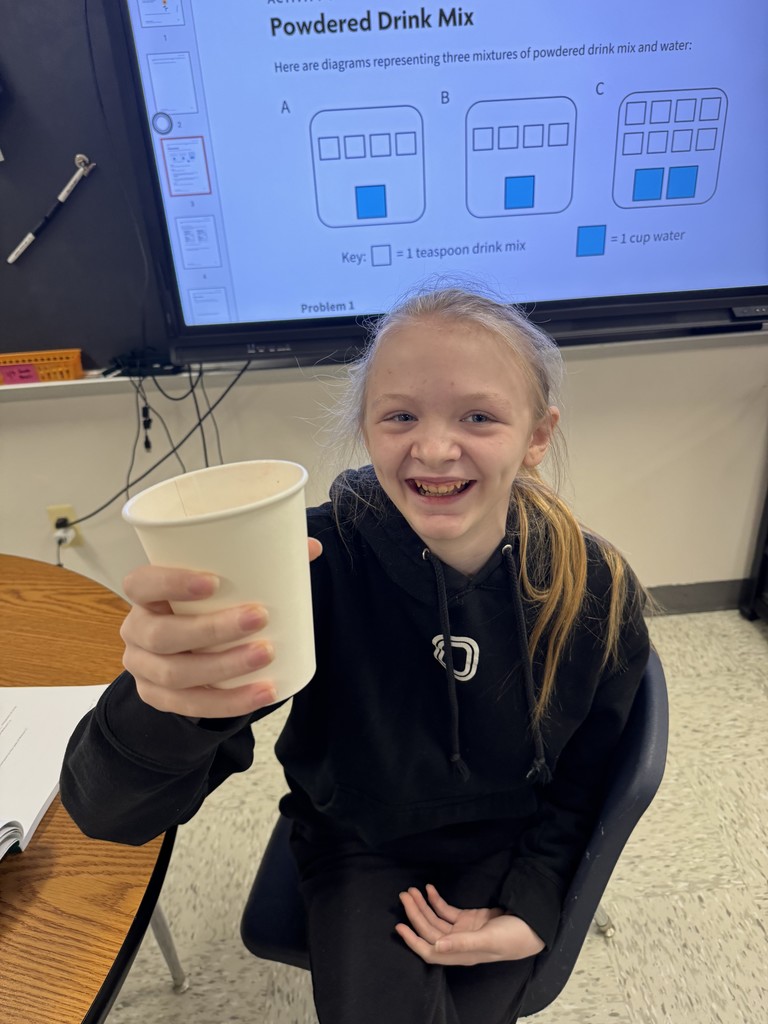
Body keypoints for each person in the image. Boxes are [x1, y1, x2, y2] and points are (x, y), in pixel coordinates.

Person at [61, 286, 650, 1024]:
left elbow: (592, 773)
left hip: (512, 840)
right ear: (367, 430)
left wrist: (537, 897)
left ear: (537, 435)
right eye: (400, 415)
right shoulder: (306, 565)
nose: (434, 449)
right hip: (362, 843)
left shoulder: (592, 590)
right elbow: (110, 813)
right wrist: (161, 707)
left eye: (478, 416)